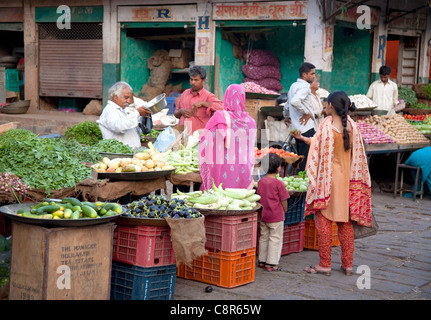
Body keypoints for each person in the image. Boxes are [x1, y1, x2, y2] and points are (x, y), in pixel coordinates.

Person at [295, 90, 372, 276]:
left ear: (331, 106)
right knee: (345, 223)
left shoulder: (326, 125)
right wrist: (305, 138)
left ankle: (325, 264)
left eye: (326, 103)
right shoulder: (352, 126)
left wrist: (305, 140)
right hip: (348, 181)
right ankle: (347, 265)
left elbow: (317, 146)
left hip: (328, 182)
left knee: (323, 221)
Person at [199, 84, 256, 190]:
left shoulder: (220, 117)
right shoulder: (251, 122)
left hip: (222, 169)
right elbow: (250, 149)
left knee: (221, 200)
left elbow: (206, 139)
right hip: (243, 170)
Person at [256, 153, 290, 272]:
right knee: (275, 239)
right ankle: (271, 263)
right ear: (278, 168)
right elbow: (284, 200)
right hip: (276, 217)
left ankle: (262, 260)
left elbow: (259, 197)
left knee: (264, 237)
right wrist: (284, 210)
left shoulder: (261, 182)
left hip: (263, 216)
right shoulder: (278, 183)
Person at [283, 62, 317, 171]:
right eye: (312, 74)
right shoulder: (305, 87)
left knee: (301, 159)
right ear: (304, 75)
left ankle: (301, 180)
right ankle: (305, 184)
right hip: (306, 129)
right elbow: (294, 102)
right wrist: (307, 112)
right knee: (307, 161)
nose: (314, 76)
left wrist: (287, 116)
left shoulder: (294, 86)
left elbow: (288, 104)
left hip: (297, 129)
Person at [98, 81, 152, 149]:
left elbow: (130, 126)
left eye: (129, 98)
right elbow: (119, 127)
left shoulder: (123, 110)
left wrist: (141, 118)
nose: (128, 101)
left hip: (131, 152)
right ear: (115, 97)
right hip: (118, 153)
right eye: (126, 98)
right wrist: (137, 113)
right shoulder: (110, 110)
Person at [174, 65, 224, 134]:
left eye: (196, 80)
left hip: (199, 136)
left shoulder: (208, 96)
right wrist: (181, 111)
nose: (193, 82)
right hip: (182, 134)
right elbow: (176, 114)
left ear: (203, 80)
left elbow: (223, 107)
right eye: (191, 79)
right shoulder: (185, 93)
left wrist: (203, 103)